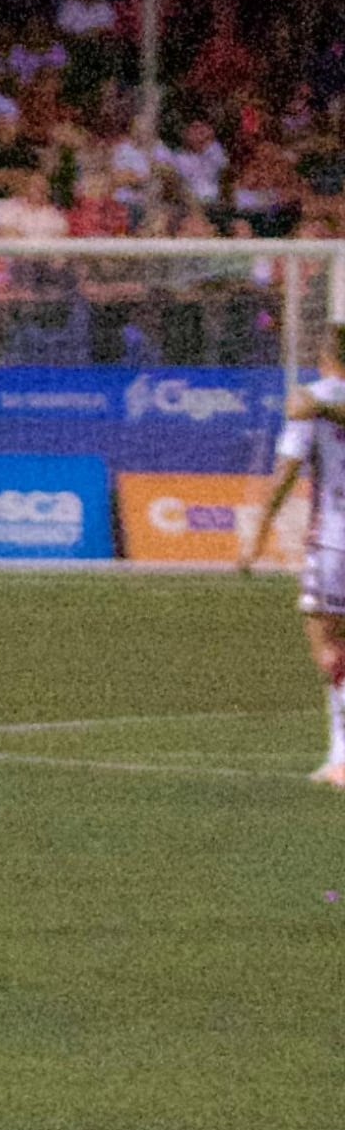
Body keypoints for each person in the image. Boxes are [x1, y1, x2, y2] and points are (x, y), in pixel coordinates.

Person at [232, 320, 345, 787]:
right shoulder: (314, 401)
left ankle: (341, 755)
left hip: (335, 541)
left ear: (324, 355)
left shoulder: (310, 400)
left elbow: (288, 471)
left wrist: (258, 531)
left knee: (331, 650)